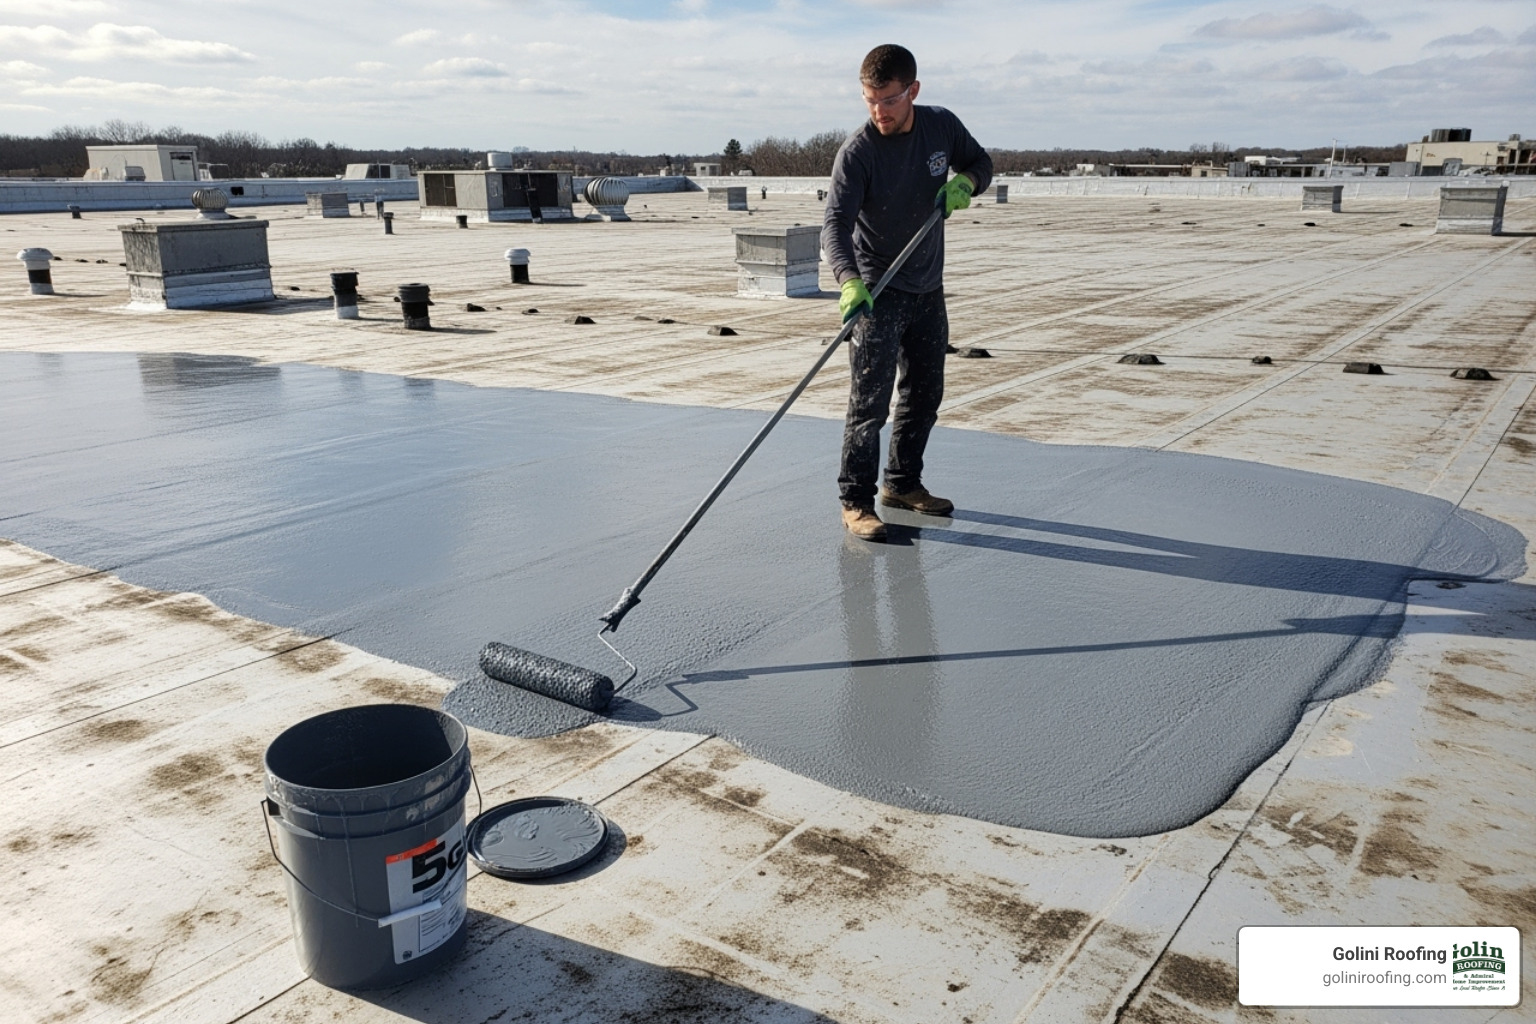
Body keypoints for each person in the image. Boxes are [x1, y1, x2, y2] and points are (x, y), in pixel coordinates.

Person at [822, 43, 992, 541]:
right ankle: (856, 500)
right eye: (869, 100)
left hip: (927, 286)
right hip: (878, 290)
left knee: (924, 394)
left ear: (913, 91)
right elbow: (835, 222)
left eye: (889, 100)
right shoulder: (859, 152)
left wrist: (966, 184)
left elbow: (981, 162)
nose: (879, 112)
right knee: (868, 406)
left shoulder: (941, 127)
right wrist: (848, 280)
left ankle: (901, 484)